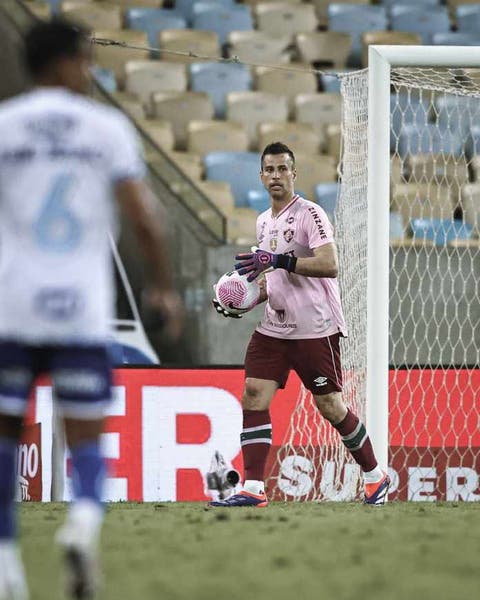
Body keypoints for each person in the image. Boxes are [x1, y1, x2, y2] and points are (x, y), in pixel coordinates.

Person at [0, 18, 183, 600]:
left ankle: (7, 570)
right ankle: (81, 524)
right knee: (85, 436)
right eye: (84, 59)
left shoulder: (4, 127)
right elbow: (145, 221)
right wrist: (162, 287)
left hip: (13, 305)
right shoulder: (106, 129)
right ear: (62, 62)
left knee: (5, 437)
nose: (91, 70)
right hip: (80, 308)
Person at [211, 142, 390, 508]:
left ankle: (375, 477)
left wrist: (277, 259)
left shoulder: (312, 214)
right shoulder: (264, 220)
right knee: (253, 395)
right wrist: (243, 300)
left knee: (331, 408)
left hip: (315, 328)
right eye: (270, 170)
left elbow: (329, 265)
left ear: (295, 174)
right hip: (274, 328)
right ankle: (254, 489)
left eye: (283, 169)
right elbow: (272, 279)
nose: (276, 176)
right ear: (261, 176)